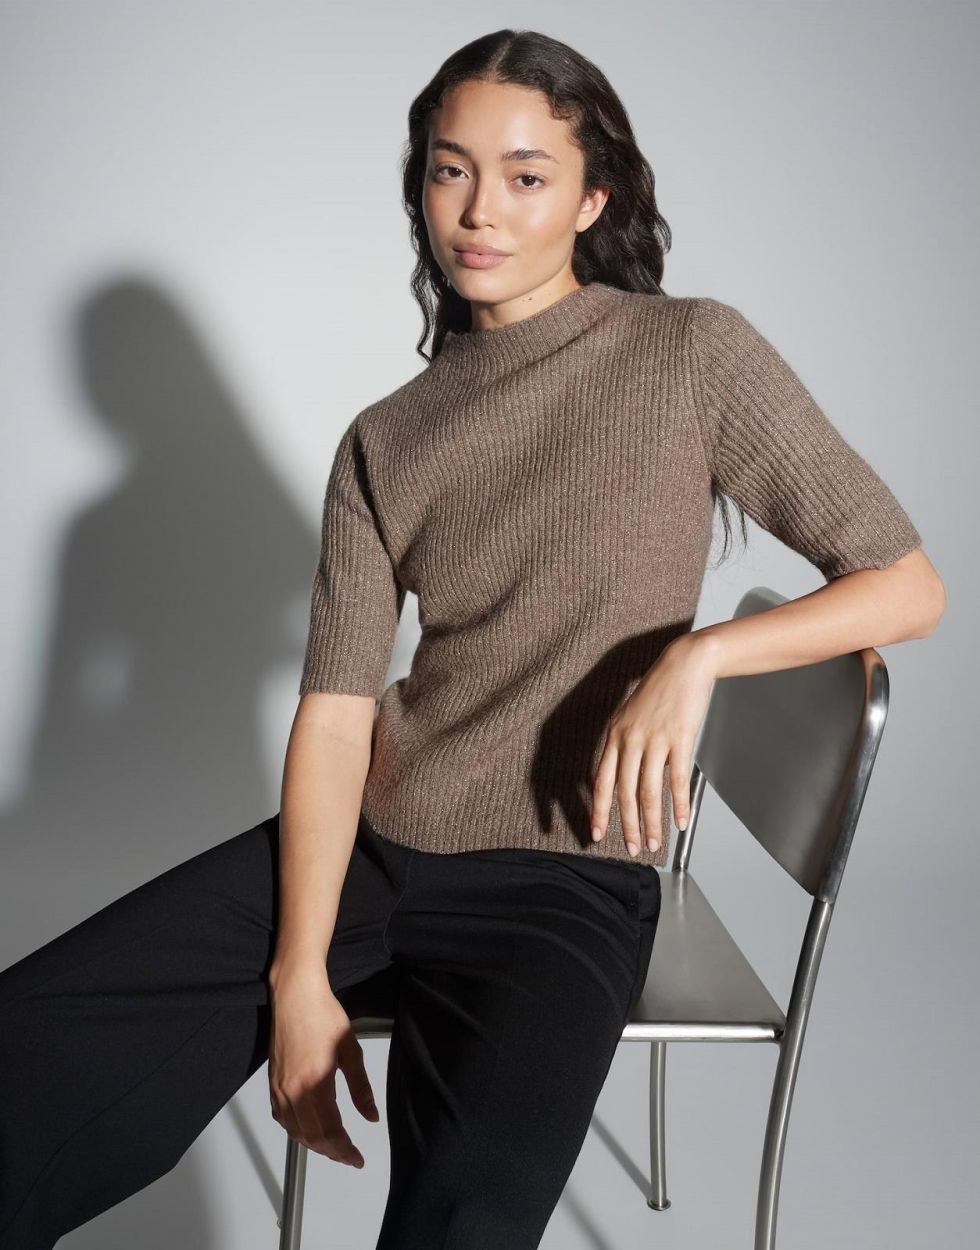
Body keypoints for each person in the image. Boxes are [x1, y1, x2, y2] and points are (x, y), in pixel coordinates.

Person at [0, 27, 944, 1250]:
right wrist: (298, 973)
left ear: (591, 198)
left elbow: (902, 583)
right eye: (450, 170)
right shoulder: (385, 435)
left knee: (465, 1215)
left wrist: (697, 654)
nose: (480, 210)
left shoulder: (689, 353)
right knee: (33, 1041)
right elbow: (336, 711)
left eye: (525, 175)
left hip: (565, 878)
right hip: (379, 841)